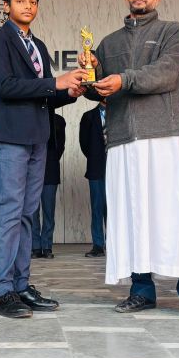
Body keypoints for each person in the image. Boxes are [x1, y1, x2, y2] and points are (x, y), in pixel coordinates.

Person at [81, 0, 179, 319]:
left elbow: (167, 73)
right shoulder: (108, 43)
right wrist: (91, 73)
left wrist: (122, 80)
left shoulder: (172, 31)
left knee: (178, 215)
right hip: (123, 140)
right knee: (133, 216)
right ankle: (141, 290)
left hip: (166, 135)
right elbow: (99, 91)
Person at [0, 0, 86, 318]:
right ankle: (2, 292)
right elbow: (5, 86)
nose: (28, 6)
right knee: (9, 211)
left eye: (33, 1)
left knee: (28, 213)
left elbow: (44, 95)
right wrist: (55, 82)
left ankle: (21, 285)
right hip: (10, 137)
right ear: (7, 5)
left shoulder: (38, 45)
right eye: (20, 0)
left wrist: (68, 92)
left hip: (38, 138)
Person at [32, 111, 66, 259]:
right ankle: (35, 246)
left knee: (48, 210)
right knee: (32, 211)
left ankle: (47, 246)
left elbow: (60, 146)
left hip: (50, 169)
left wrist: (49, 160)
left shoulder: (58, 120)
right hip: (32, 170)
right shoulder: (30, 116)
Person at [79, 100, 108, 257]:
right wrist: (95, 157)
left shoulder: (119, 114)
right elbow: (84, 144)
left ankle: (114, 243)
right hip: (96, 168)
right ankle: (98, 245)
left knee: (114, 208)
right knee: (97, 207)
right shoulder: (88, 116)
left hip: (116, 167)